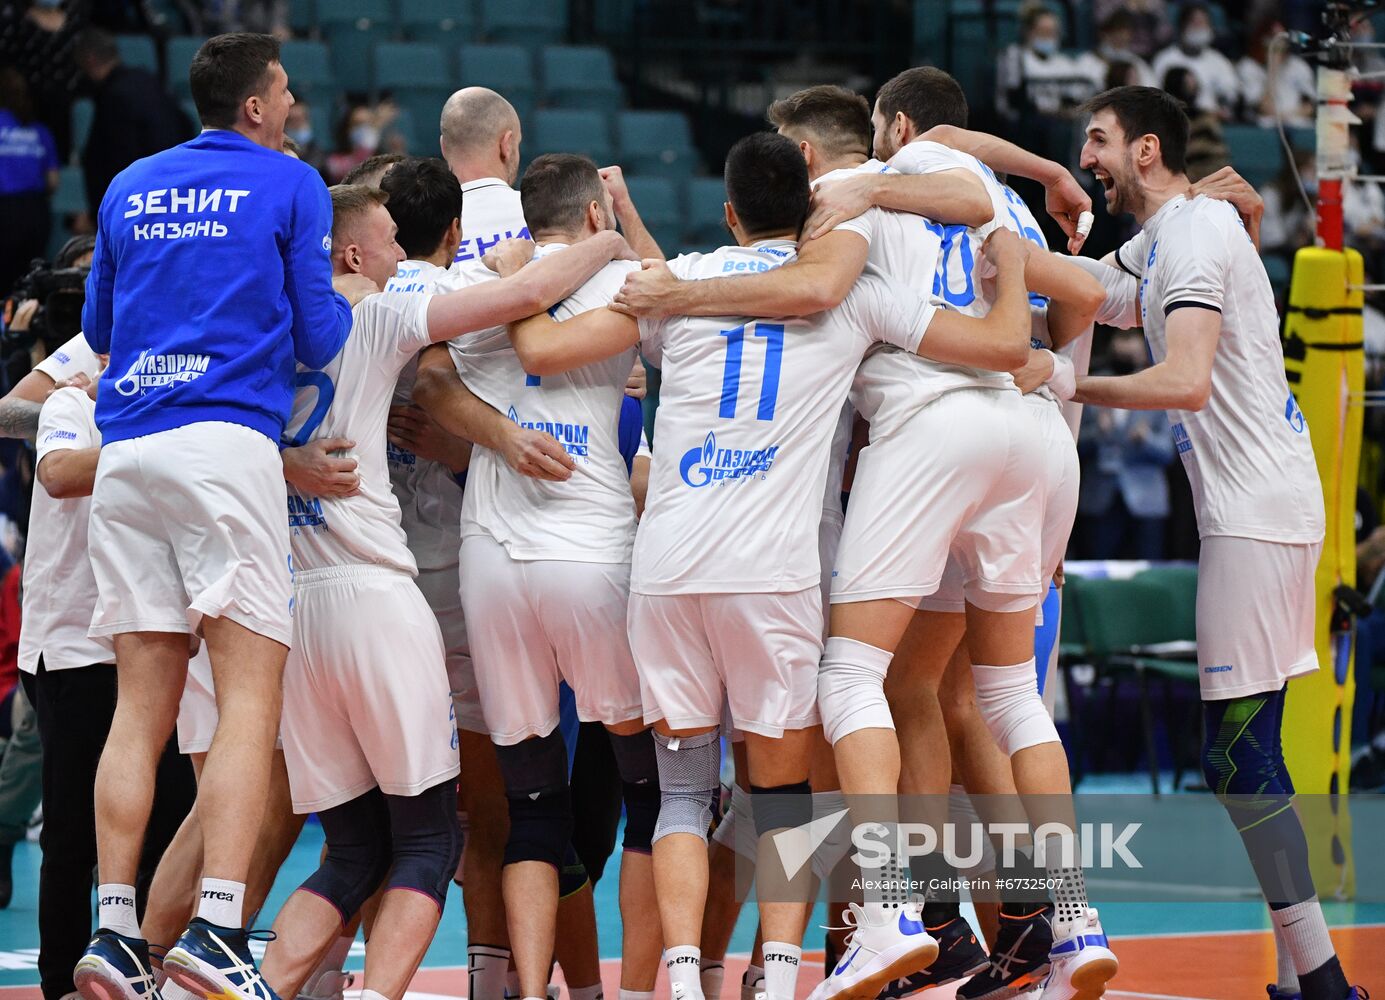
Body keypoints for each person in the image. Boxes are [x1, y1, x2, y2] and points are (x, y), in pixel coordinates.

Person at [508, 129, 1035, 1000]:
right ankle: (785, 973)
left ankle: (682, 978)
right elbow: (998, 347)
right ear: (814, 206)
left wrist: (554, 266)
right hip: (772, 574)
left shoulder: (678, 287)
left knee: (680, 795)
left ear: (726, 214)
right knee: (784, 793)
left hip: (668, 568)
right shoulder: (853, 293)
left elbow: (574, 334)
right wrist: (1010, 267)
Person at [256, 177, 634, 1000]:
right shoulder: (385, 312)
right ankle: (660, 982)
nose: (405, 259)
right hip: (392, 594)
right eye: (389, 243)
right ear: (353, 252)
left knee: (353, 847)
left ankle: (241, 976)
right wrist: (615, 241)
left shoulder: (263, 330)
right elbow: (533, 301)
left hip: (294, 600)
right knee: (447, 836)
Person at [73, 31, 358, 1000]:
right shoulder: (289, 182)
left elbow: (102, 331)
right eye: (283, 92)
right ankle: (219, 927)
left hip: (129, 453)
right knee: (248, 703)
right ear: (255, 106)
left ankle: (113, 933)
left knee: (139, 709)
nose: (290, 106)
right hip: (224, 451)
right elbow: (320, 337)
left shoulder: (127, 186)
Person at [1072, 84, 1362, 1000]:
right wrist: (1007, 233)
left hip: (1254, 511)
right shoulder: (1171, 237)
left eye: (1098, 141)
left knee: (1236, 756)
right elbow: (1088, 292)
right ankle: (1302, 978)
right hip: (1260, 506)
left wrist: (1066, 386)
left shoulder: (1193, 234)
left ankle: (1320, 980)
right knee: (1252, 747)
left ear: (1147, 150)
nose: (1088, 157)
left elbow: (1186, 379)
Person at [1075, 334, 1175, 560]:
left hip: (1146, 500)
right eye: (1120, 355)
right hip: (1099, 497)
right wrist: (1098, 432)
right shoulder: (1092, 384)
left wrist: (1145, 438)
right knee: (1095, 572)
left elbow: (1169, 451)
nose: (1126, 359)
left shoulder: (1158, 387)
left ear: (1143, 355)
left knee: (1149, 575)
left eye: (1131, 355)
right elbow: (1072, 444)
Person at [72, 26, 193, 213]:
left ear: (89, 60)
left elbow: (111, 158)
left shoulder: (113, 97)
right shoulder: (149, 82)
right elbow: (185, 125)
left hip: (136, 201)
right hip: (175, 186)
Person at [0, 65, 58, 296]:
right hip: (35, 212)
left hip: (4, 210)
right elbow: (53, 181)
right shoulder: (39, 131)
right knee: (28, 283)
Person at [1150, 3, 1239, 119]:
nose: (1199, 27)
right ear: (1182, 26)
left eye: (1204, 23)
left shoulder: (1219, 61)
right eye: (1195, 22)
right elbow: (1156, 97)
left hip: (1213, 121)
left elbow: (1231, 94)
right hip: (1175, 120)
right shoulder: (1165, 59)